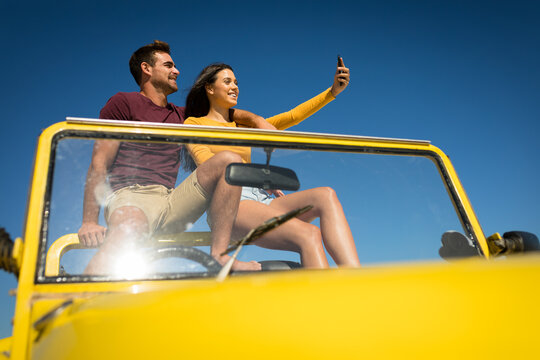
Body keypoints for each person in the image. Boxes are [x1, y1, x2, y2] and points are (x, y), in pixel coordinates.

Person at [78, 40, 270, 274]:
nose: (176, 71)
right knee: (130, 228)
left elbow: (225, 113)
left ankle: (219, 256)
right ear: (146, 69)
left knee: (228, 159)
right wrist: (89, 220)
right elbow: (100, 163)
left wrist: (258, 120)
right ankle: (72, 301)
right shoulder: (124, 102)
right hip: (132, 197)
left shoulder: (183, 116)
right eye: (168, 65)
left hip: (172, 199)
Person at [183, 61, 361, 269]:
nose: (235, 86)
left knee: (325, 195)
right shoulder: (194, 124)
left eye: (236, 82)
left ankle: (354, 278)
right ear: (210, 88)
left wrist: (332, 92)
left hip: (260, 199)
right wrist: (255, 175)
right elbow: (206, 162)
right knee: (309, 234)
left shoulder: (243, 125)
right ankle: (325, 299)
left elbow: (293, 116)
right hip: (231, 204)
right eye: (227, 81)